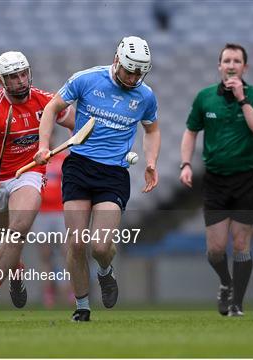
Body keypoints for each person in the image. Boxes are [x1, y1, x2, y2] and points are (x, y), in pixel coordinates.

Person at [34, 36, 161, 322]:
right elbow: (53, 108)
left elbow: (152, 130)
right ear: (117, 61)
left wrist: (151, 162)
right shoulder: (86, 79)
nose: (133, 78)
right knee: (76, 243)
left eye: (139, 73)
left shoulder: (145, 95)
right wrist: (44, 145)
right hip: (79, 166)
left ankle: (105, 271)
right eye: (129, 71)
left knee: (100, 246)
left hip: (113, 173)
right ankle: (82, 306)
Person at [0, 51, 73, 315]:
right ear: (1, 81)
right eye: (13, 77)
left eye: (23, 73)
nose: (20, 81)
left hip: (29, 173)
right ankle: (16, 272)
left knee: (18, 229)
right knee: (5, 237)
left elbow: (78, 125)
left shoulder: (45, 101)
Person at [179, 43, 253, 316]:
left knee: (242, 244)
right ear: (219, 66)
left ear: (245, 67)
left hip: (247, 179)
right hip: (215, 180)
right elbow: (190, 132)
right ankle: (226, 283)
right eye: (227, 60)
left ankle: (237, 304)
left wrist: (242, 99)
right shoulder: (205, 97)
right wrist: (185, 164)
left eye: (237, 61)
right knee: (216, 249)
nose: (231, 65)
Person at [33, 150, 73, 308]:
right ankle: (48, 292)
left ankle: (69, 291)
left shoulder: (62, 159)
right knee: (45, 256)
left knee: (66, 253)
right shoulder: (35, 161)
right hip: (42, 213)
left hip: (59, 212)